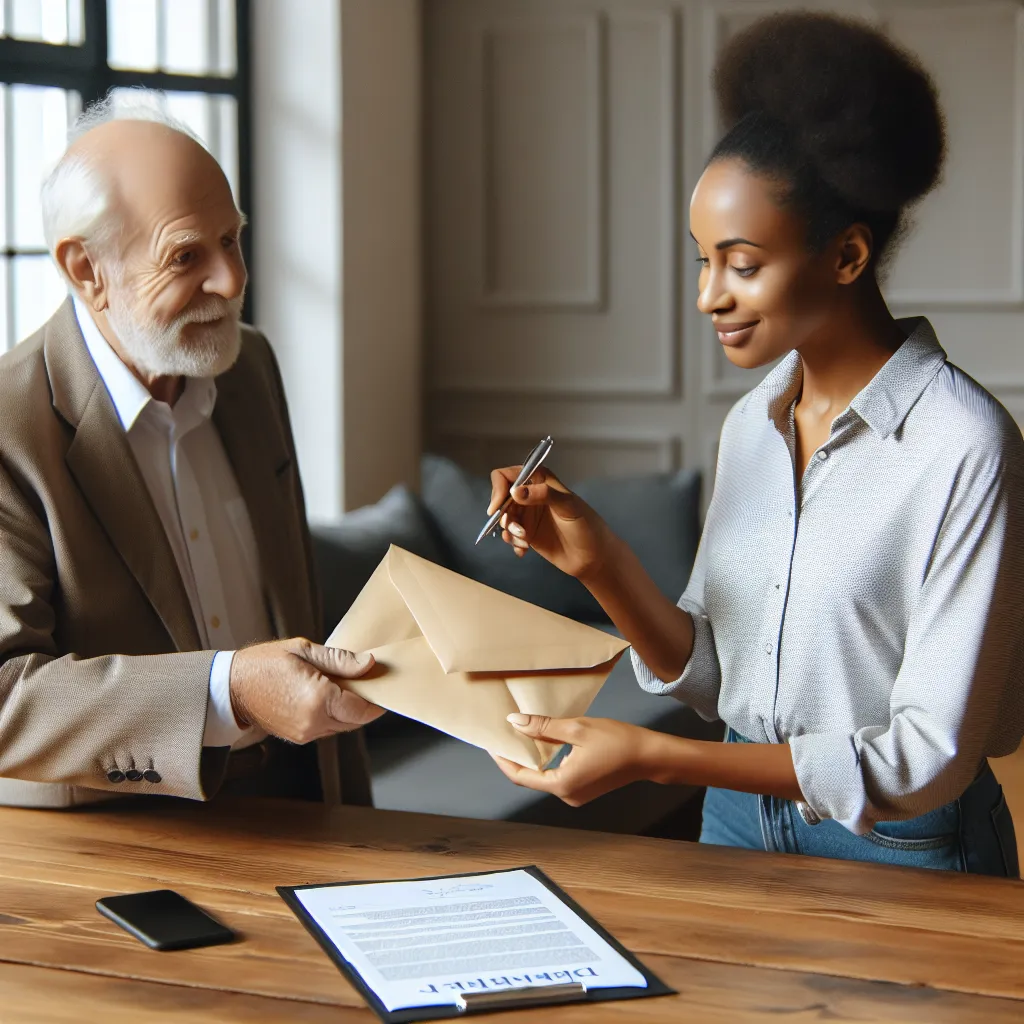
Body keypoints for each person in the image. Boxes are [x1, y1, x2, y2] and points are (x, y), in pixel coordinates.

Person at [487, 11, 1024, 876]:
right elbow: (715, 679)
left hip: (903, 845)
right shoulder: (754, 424)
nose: (709, 297)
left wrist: (652, 757)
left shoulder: (966, 449)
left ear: (847, 256)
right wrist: (598, 564)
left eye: (741, 263)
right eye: (701, 260)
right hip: (737, 821)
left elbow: (927, 758)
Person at [0, 96, 383, 808]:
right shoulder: (8, 426)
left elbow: (300, 601)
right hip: (127, 855)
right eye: (186, 255)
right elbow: (5, 699)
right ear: (85, 270)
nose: (233, 282)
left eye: (232, 240)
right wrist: (227, 690)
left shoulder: (250, 367)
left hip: (303, 807)